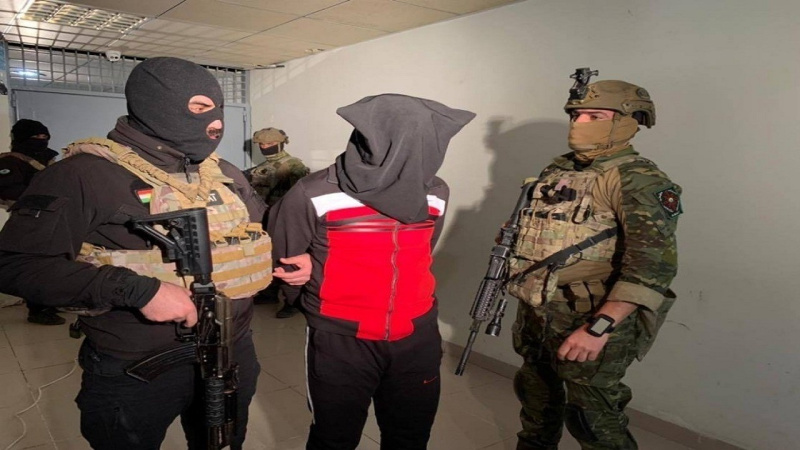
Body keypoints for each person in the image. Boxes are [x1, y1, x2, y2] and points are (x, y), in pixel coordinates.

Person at [0, 57, 310, 450]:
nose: (215, 122)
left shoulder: (225, 173)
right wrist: (139, 291)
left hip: (231, 349)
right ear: (158, 106)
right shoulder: (83, 174)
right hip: (136, 363)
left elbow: (258, 231)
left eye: (218, 108)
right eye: (200, 107)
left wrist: (290, 257)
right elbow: (15, 264)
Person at [267, 94, 475, 450]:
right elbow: (285, 257)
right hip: (341, 339)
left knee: (410, 437)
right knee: (334, 438)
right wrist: (314, 295)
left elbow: (423, 250)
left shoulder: (436, 191)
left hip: (417, 335)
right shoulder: (313, 192)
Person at [508, 71, 682, 450]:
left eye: (594, 116)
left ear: (628, 121)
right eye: (576, 115)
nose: (579, 123)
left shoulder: (638, 179)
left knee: (593, 421)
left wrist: (598, 328)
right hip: (538, 310)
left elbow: (652, 265)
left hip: (590, 315)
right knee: (536, 408)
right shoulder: (557, 171)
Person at [0, 119, 65, 325]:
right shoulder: (10, 162)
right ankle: (38, 310)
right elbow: (10, 192)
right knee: (34, 266)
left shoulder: (50, 159)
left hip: (56, 219)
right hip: (29, 222)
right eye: (36, 137)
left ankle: (52, 302)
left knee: (57, 263)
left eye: (44, 136)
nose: (41, 140)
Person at [248, 127, 310, 318]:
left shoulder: (293, 166)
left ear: (282, 143)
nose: (265, 147)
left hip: (285, 220)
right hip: (265, 218)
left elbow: (298, 197)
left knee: (286, 258)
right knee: (266, 257)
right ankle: (269, 293)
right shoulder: (263, 167)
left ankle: (294, 301)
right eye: (262, 144)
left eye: (271, 144)